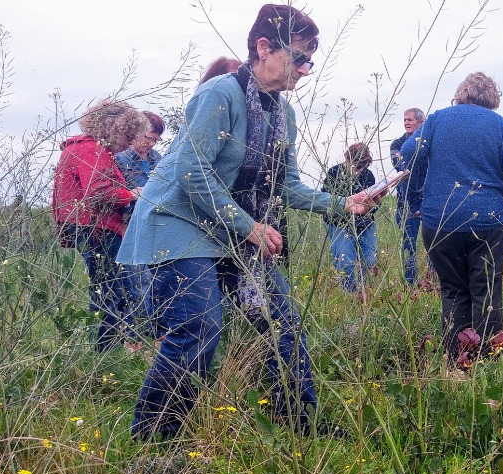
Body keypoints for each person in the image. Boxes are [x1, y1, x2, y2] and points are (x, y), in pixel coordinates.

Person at [118, 4, 380, 439]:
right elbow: (191, 172)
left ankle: (300, 424)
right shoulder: (221, 93)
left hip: (231, 227)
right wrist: (251, 228)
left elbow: (288, 186)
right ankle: (153, 440)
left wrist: (342, 204)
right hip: (179, 220)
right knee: (199, 325)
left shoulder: (283, 114)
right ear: (264, 47)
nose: (305, 70)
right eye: (299, 57)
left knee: (281, 321)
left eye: (309, 61)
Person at [401, 72, 503, 366]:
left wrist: (417, 200)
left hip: (439, 220)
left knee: (453, 292)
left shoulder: (436, 121)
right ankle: (488, 363)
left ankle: (455, 363)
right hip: (488, 221)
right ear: (492, 99)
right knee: (486, 294)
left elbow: (408, 155)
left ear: (461, 94)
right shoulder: (500, 126)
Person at [51, 100, 147, 352]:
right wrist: (133, 194)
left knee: (108, 290)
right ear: (114, 128)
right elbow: (99, 192)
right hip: (97, 228)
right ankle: (104, 353)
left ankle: (104, 353)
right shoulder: (91, 150)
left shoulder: (85, 148)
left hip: (92, 226)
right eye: (127, 134)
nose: (129, 142)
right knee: (109, 293)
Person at [115, 110, 166, 341]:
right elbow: (115, 196)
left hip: (158, 227)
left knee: (158, 281)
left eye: (155, 139)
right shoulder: (120, 159)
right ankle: (136, 337)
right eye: (147, 137)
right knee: (138, 283)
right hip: (130, 228)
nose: (150, 143)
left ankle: (155, 335)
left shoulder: (158, 159)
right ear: (135, 133)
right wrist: (133, 194)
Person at [322, 143, 379, 297]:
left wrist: (374, 204)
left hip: (365, 223)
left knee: (370, 260)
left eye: (361, 166)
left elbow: (374, 204)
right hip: (339, 223)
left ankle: (364, 291)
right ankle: (350, 295)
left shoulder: (368, 176)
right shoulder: (334, 172)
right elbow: (325, 201)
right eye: (355, 165)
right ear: (348, 159)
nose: (358, 169)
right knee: (345, 261)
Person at [390, 107, 426, 285]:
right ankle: (410, 283)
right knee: (409, 244)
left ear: (421, 121)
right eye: (404, 120)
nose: (406, 123)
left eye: (409, 120)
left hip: (429, 201)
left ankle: (432, 280)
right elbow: (402, 167)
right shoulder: (397, 144)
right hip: (406, 202)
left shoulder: (430, 142)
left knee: (433, 244)